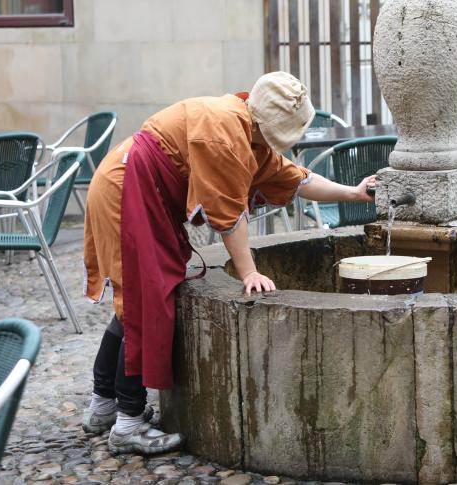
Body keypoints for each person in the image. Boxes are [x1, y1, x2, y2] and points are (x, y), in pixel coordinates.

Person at [81, 72, 375, 454]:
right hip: (127, 189)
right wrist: (249, 270)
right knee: (143, 303)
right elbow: (228, 215)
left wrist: (353, 193)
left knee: (132, 307)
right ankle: (127, 424)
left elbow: (297, 180)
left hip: (131, 183)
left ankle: (103, 407)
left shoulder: (248, 132)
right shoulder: (223, 132)